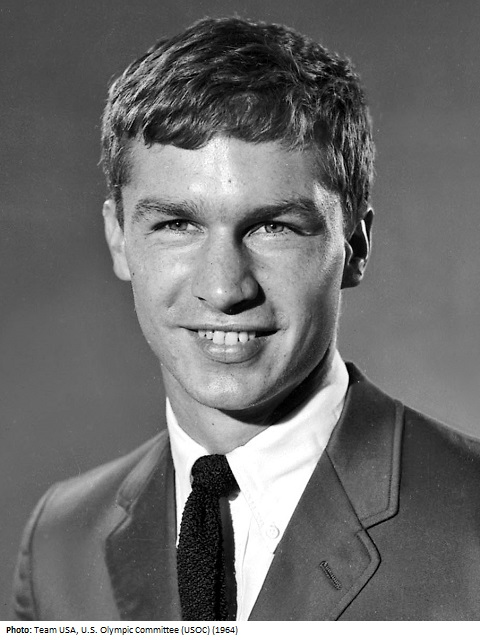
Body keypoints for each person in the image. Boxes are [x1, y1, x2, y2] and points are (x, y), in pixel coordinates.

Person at [12, 16, 480, 622]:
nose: (223, 288)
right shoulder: (60, 539)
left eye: (273, 227)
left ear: (355, 247)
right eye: (177, 224)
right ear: (119, 238)